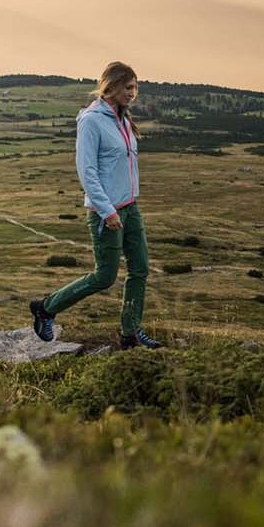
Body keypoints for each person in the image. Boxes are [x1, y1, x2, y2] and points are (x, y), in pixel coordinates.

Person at [29, 61, 162, 349]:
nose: (133, 93)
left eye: (135, 88)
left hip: (130, 207)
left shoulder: (123, 119)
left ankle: (130, 333)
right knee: (105, 276)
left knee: (140, 269)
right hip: (106, 212)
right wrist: (107, 210)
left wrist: (126, 206)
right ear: (111, 86)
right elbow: (87, 171)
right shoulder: (91, 121)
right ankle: (46, 307)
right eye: (128, 87)